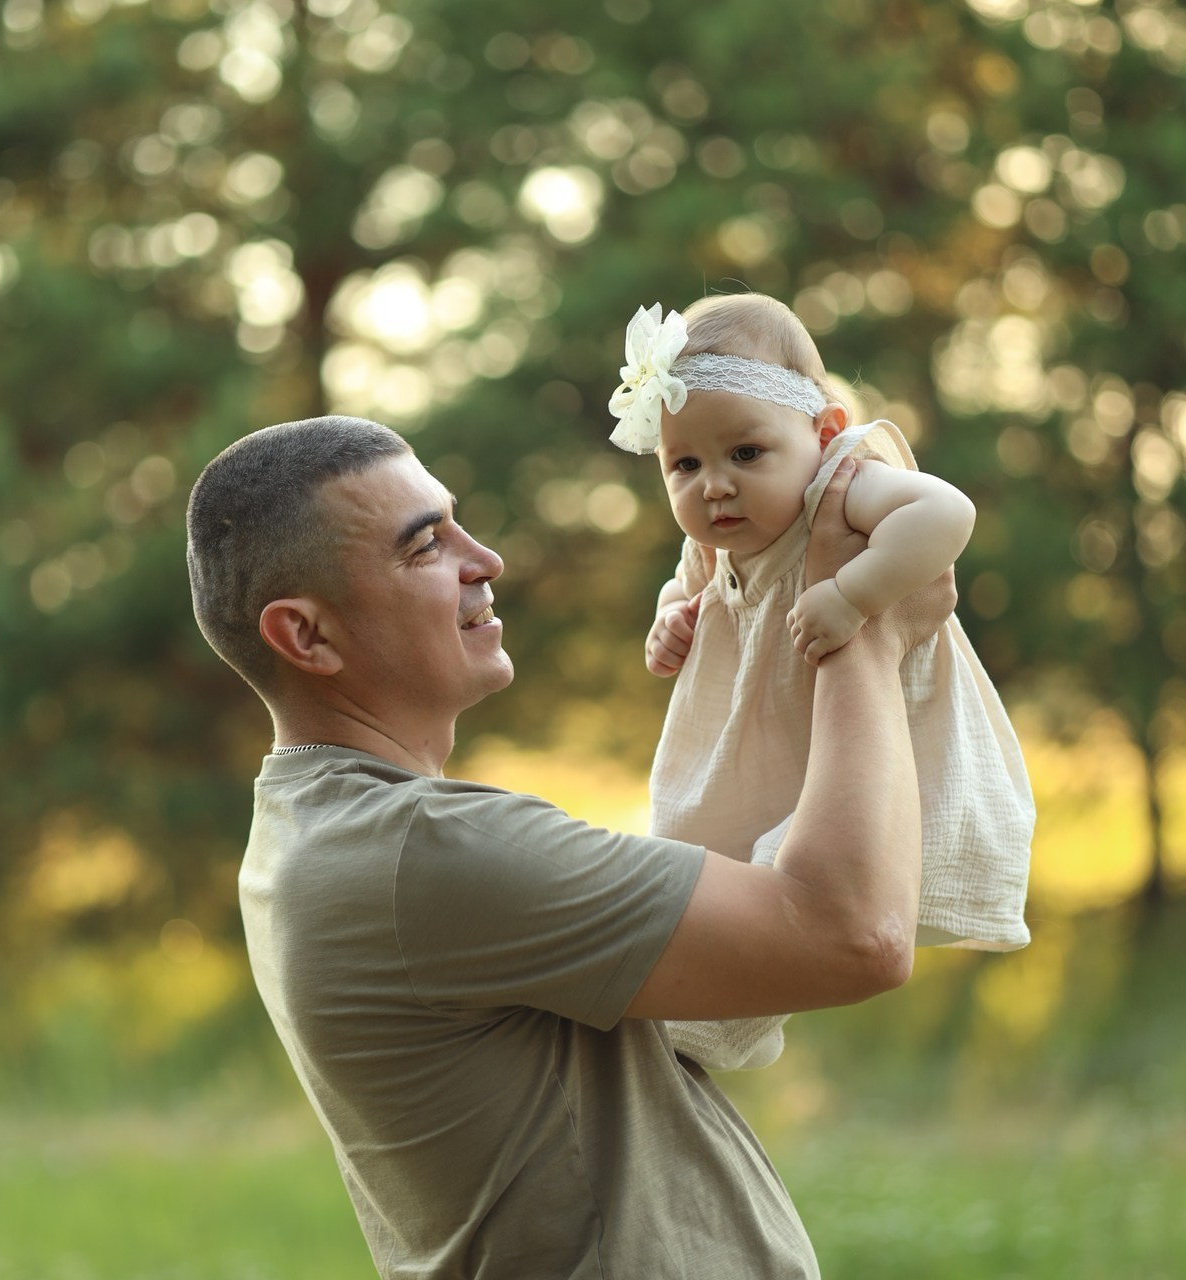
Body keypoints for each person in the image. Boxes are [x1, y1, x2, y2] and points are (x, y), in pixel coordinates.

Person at [186, 412, 954, 1278]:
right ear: (306, 636)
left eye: (458, 521)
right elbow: (854, 935)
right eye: (424, 546)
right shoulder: (424, 851)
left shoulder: (312, 827)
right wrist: (866, 634)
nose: (486, 560)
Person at [608, 294, 1034, 1072]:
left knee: (810, 881)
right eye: (685, 464)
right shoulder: (719, 542)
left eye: (745, 453)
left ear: (823, 432)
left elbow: (946, 513)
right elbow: (687, 587)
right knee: (717, 878)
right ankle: (696, 1035)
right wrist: (671, 621)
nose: (714, 486)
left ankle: (699, 1030)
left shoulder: (842, 488)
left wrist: (854, 594)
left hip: (861, 747)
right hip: (765, 750)